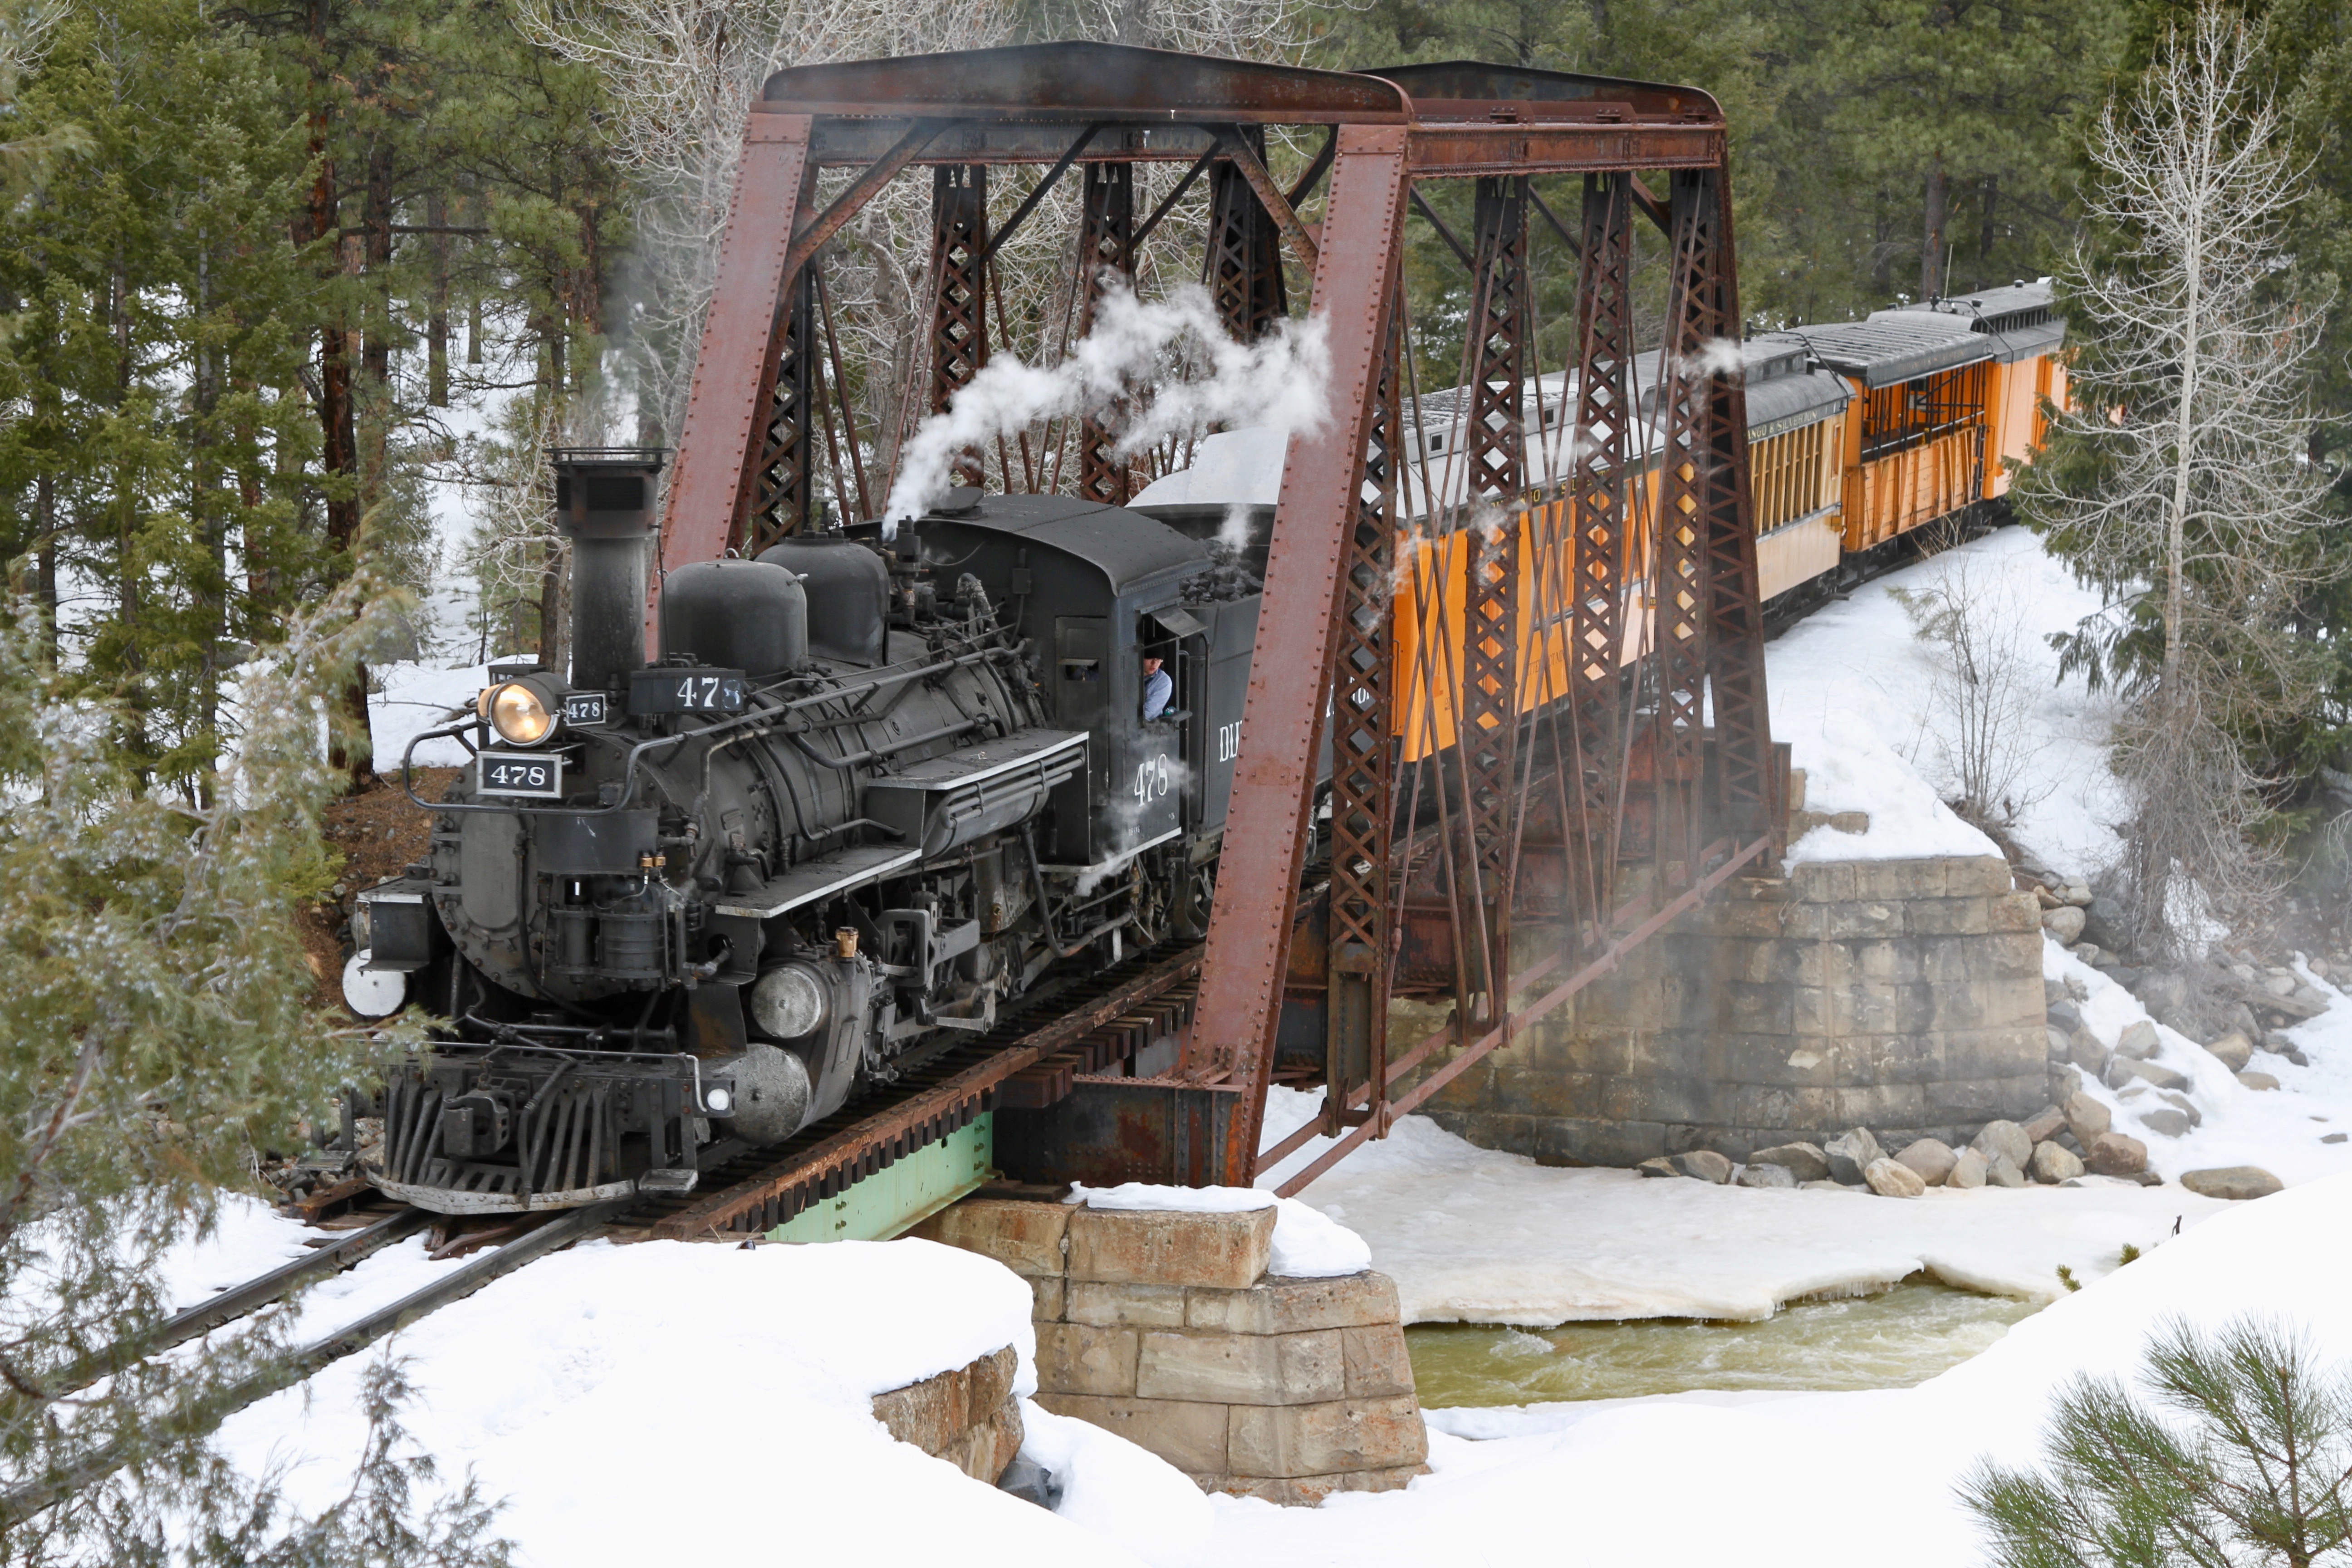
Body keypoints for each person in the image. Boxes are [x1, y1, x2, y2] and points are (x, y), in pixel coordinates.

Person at [1141, 654, 1173, 721]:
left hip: (1149, 725)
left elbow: (1148, 712)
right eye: (1150, 658)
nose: (1154, 663)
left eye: (1158, 659)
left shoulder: (1164, 681)